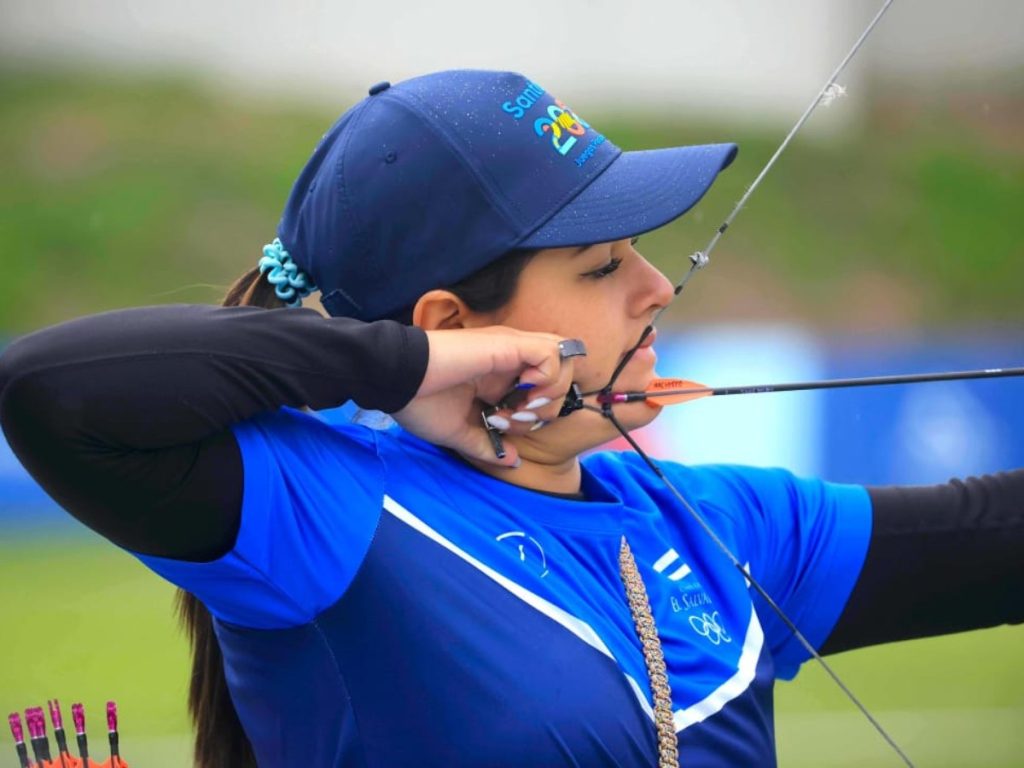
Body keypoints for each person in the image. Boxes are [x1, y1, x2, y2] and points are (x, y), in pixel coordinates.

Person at [0, 69, 1020, 768]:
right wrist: (403, 365)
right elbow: (52, 388)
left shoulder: (727, 528)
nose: (658, 287)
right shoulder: (332, 511)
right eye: (601, 265)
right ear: (453, 325)